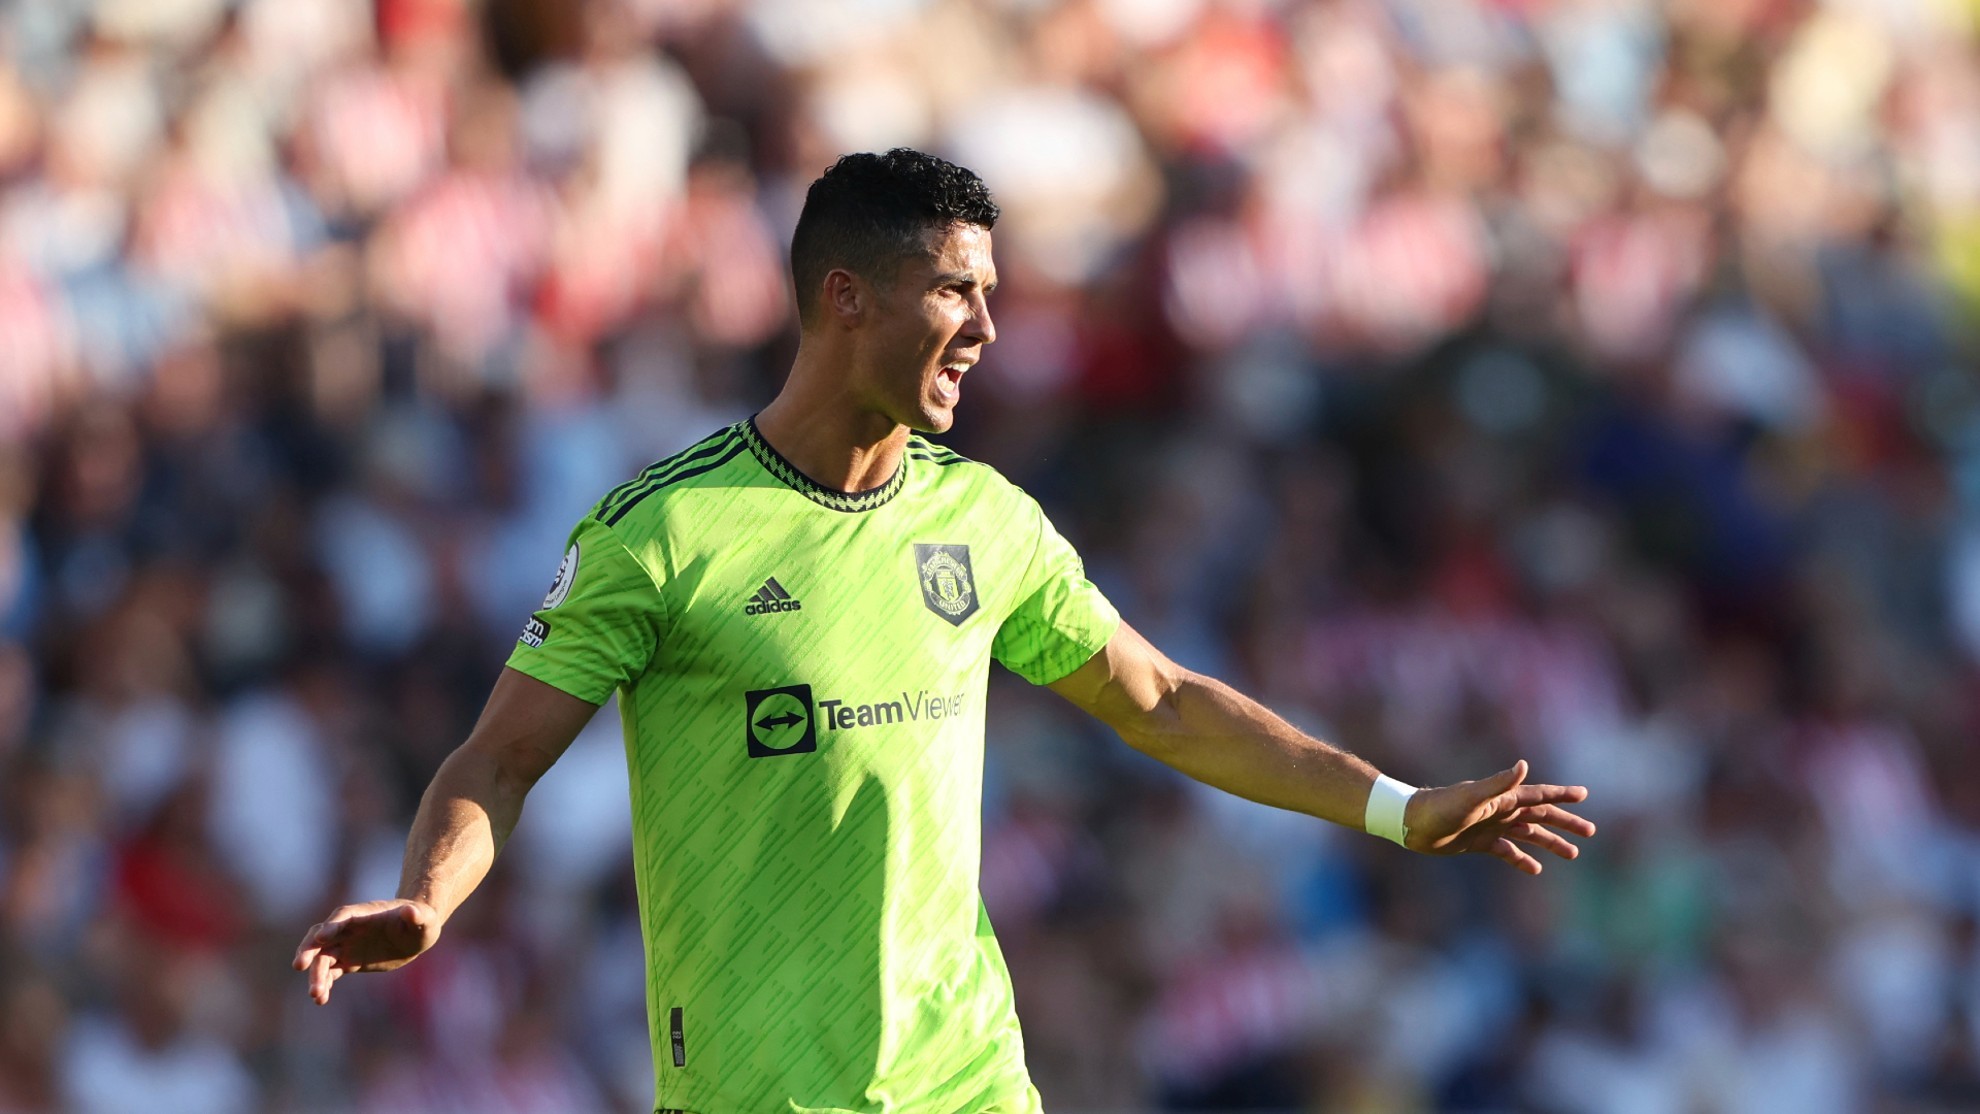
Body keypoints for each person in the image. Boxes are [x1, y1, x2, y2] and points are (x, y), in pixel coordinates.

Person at [293, 149, 1595, 1112]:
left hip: (966, 1073)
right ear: (846, 297)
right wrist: (428, 893)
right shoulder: (665, 534)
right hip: (762, 1090)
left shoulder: (982, 519)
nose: (985, 328)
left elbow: (1160, 699)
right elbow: (500, 757)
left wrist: (1395, 806)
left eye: (991, 295)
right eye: (955, 292)